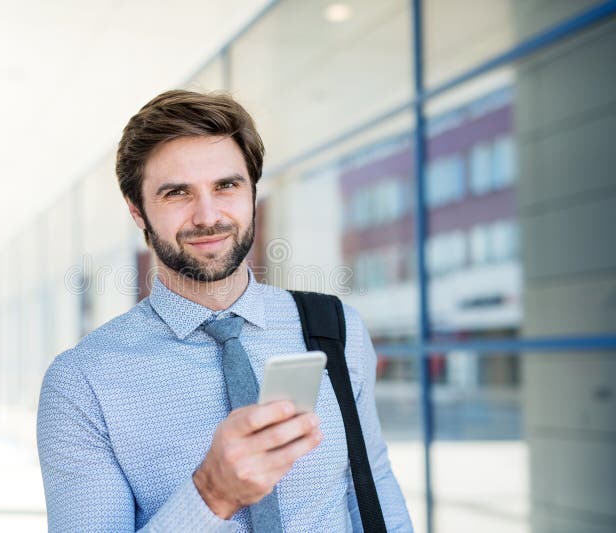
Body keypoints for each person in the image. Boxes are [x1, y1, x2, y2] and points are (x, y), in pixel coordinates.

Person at [37, 90, 412, 532]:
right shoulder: (82, 383)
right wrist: (211, 495)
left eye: (226, 186)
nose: (208, 215)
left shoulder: (336, 329)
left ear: (253, 193)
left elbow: (373, 486)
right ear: (138, 212)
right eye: (177, 193)